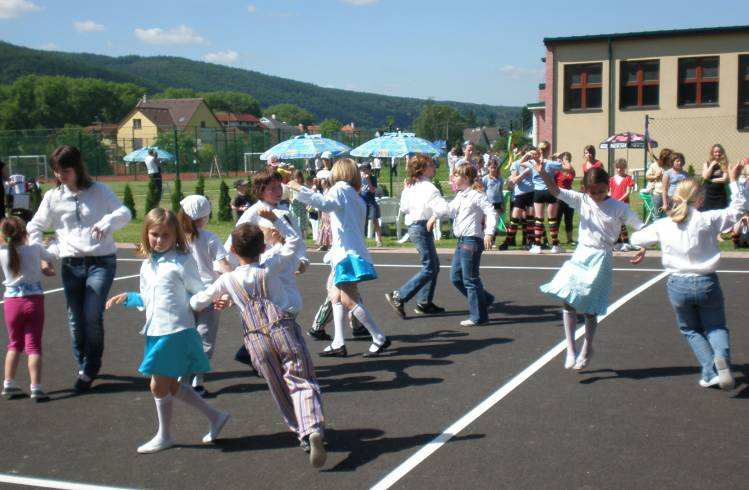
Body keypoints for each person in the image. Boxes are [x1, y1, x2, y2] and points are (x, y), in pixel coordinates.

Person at [191, 219, 327, 467]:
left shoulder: (227, 280)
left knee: (278, 386)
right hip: (283, 329)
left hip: (255, 339)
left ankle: (302, 433)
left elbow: (197, 302)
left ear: (232, 251)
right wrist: (278, 222)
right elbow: (293, 245)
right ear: (262, 248)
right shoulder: (269, 269)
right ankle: (313, 427)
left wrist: (217, 299)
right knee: (302, 379)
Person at [106, 208, 230, 454]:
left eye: (165, 235)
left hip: (176, 331)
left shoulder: (182, 261)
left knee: (157, 384)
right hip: (156, 330)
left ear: (176, 236)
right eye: (154, 234)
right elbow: (152, 298)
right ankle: (215, 416)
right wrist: (131, 297)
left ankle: (165, 436)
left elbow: (200, 289)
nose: (159, 240)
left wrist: (217, 296)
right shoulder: (147, 266)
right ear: (146, 234)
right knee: (171, 386)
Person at [630, 162, 747, 390]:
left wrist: (645, 243)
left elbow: (637, 239)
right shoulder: (708, 219)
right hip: (707, 282)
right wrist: (734, 181)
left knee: (691, 330)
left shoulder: (664, 224)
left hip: (678, 284)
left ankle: (709, 370)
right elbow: (738, 209)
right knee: (716, 327)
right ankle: (720, 357)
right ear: (700, 200)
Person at [27, 145, 131, 391]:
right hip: (71, 264)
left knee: (92, 314)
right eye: (56, 171)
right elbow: (35, 226)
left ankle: (91, 366)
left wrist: (107, 222)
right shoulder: (53, 197)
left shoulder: (99, 191)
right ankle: (84, 362)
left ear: (78, 168)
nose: (60, 176)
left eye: (66, 170)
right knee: (75, 319)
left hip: (101, 262)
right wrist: (42, 255)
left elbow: (124, 212)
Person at [536, 161, 644, 370]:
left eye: (601, 191)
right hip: (581, 254)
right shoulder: (582, 200)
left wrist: (643, 246)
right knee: (568, 300)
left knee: (590, 309)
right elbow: (555, 190)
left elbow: (639, 225)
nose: (597, 195)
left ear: (608, 188)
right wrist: (542, 173)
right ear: (585, 189)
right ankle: (570, 348)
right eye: (592, 191)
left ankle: (587, 348)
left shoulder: (618, 207)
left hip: (601, 257)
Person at [288, 158, 391, 357]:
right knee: (335, 296)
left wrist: (298, 188)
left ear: (338, 172)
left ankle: (378, 337)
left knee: (348, 299)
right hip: (348, 253)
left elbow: (324, 204)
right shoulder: (356, 196)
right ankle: (338, 342)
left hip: (346, 256)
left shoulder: (340, 190)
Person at [177, 195, 233, 397]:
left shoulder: (176, 238)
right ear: (203, 217)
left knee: (186, 336)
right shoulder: (210, 238)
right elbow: (224, 266)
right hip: (210, 294)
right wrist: (230, 291)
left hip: (183, 294)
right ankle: (197, 381)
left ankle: (183, 378)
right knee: (205, 338)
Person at [386, 155, 450, 318]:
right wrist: (435, 214)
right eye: (431, 165)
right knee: (430, 267)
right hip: (422, 227)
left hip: (415, 227)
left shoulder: (410, 186)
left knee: (433, 266)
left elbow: (405, 208)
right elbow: (443, 209)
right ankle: (399, 296)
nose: (434, 167)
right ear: (423, 169)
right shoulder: (430, 188)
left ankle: (424, 302)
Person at [1, 216, 55, 401]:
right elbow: (50, 257)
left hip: (11, 303)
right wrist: (51, 244)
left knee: (14, 343)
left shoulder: (3, 253)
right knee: (33, 345)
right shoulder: (34, 249)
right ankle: (36, 387)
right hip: (33, 301)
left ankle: (8, 383)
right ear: (25, 233)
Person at [449, 163, 496, 327]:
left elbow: (491, 212)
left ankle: (479, 316)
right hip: (461, 241)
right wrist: (433, 212)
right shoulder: (460, 195)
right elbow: (449, 211)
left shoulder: (477, 195)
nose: (453, 178)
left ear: (466, 178)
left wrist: (489, 232)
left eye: (456, 175)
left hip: (471, 241)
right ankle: (485, 299)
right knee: (456, 277)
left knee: (470, 279)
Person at [528, 141, 563, 254]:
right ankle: (555, 245)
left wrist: (529, 154)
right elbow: (568, 168)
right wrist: (560, 158)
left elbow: (522, 162)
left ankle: (537, 245)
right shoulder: (551, 163)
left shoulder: (533, 162)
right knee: (552, 219)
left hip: (538, 192)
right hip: (550, 191)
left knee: (539, 219)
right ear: (548, 150)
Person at [499, 149, 535, 250]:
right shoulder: (516, 164)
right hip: (520, 194)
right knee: (514, 220)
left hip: (532, 193)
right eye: (529, 154)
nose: (530, 157)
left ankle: (530, 241)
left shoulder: (534, 164)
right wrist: (524, 174)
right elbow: (514, 180)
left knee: (530, 220)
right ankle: (508, 241)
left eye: (532, 155)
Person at [609, 159, 636, 250]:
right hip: (613, 204)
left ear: (625, 168)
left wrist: (619, 201)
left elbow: (627, 192)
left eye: (621, 168)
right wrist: (608, 200)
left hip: (623, 204)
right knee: (614, 224)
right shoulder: (612, 179)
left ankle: (626, 242)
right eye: (617, 168)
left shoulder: (628, 178)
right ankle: (618, 242)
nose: (619, 169)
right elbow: (610, 192)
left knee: (621, 223)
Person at [482, 159, 504, 247]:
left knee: (495, 222)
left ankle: (493, 240)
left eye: (495, 167)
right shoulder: (485, 178)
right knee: (488, 222)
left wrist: (502, 202)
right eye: (491, 168)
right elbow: (483, 190)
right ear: (488, 168)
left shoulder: (500, 179)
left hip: (497, 202)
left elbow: (501, 191)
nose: (493, 169)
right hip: (488, 203)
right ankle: (486, 239)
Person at [359, 162, 383, 247]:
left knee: (375, 221)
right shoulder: (360, 179)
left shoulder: (373, 178)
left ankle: (379, 240)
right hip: (362, 203)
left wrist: (368, 179)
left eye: (364, 169)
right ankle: (361, 241)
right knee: (362, 222)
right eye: (362, 170)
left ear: (369, 170)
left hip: (371, 203)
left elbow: (373, 190)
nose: (363, 171)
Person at [645, 148, 673, 218]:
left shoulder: (671, 167)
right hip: (657, 193)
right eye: (669, 159)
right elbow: (647, 177)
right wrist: (656, 176)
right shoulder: (654, 165)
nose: (671, 160)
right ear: (664, 159)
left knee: (669, 215)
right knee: (657, 215)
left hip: (669, 194)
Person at [556, 151, 576, 245]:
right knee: (557, 218)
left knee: (569, 218)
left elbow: (570, 169)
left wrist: (565, 161)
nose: (566, 161)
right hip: (559, 196)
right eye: (565, 159)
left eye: (568, 159)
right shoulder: (558, 170)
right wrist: (560, 161)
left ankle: (570, 239)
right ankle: (555, 238)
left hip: (569, 196)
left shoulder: (571, 170)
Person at [701, 144, 729, 211]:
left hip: (720, 194)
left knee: (720, 213)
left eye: (719, 152)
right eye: (715, 152)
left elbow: (725, 179)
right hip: (708, 193)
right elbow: (705, 177)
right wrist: (711, 166)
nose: (718, 153)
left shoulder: (725, 164)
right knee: (707, 213)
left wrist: (712, 180)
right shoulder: (706, 163)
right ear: (712, 153)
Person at [289, 170, 310, 241]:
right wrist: (290, 199)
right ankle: (296, 241)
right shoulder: (291, 186)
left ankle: (302, 241)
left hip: (302, 208)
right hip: (294, 208)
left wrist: (307, 205)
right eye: (295, 178)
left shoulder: (304, 186)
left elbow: (308, 197)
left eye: (298, 177)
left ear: (301, 178)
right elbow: (288, 196)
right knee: (294, 226)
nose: (297, 179)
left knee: (301, 227)